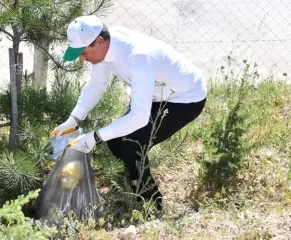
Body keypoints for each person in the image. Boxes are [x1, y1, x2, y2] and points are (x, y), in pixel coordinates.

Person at [51, 15, 207, 211]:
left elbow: (139, 117)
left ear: (99, 42)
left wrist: (94, 137)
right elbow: (96, 86)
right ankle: (134, 180)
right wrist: (73, 120)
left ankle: (151, 205)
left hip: (185, 98)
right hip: (154, 95)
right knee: (115, 141)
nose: (82, 59)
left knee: (132, 145)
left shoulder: (138, 56)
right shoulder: (105, 47)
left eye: (82, 53)